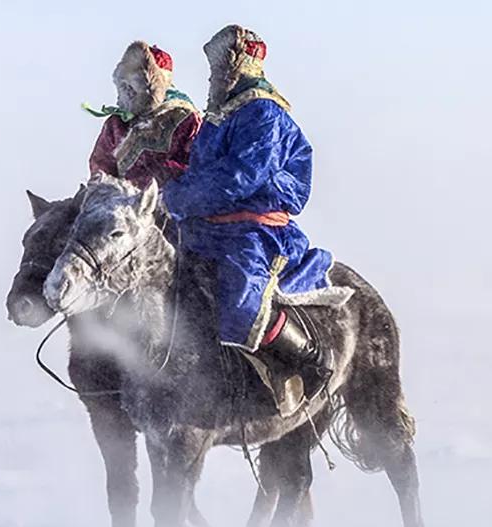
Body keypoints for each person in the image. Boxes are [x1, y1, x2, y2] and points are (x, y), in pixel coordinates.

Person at [163, 25, 334, 402]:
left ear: (237, 65)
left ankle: (310, 360)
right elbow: (201, 172)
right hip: (205, 227)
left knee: (241, 299)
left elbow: (238, 178)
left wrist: (174, 198)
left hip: (252, 232)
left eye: (217, 67)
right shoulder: (217, 117)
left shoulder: (263, 112)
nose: (211, 77)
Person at [85, 42, 201, 189]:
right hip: (121, 202)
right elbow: (101, 166)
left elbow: (196, 164)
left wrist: (159, 177)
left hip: (170, 199)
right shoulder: (117, 123)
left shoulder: (184, 118)